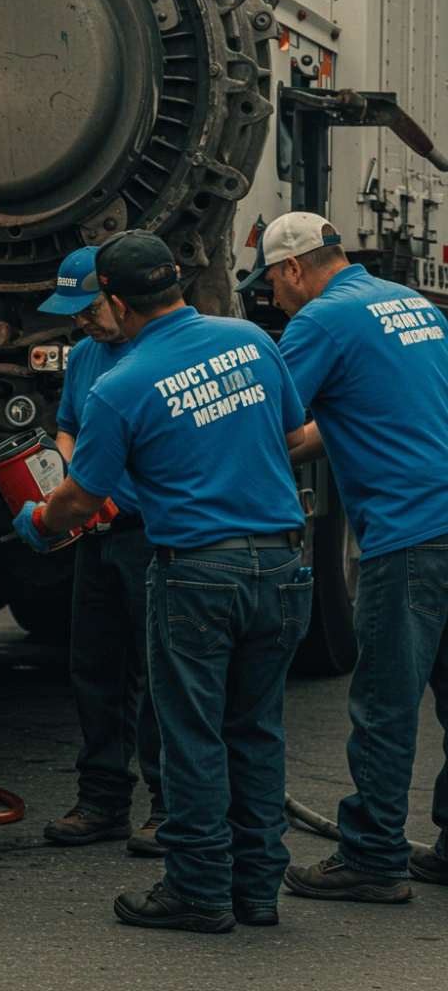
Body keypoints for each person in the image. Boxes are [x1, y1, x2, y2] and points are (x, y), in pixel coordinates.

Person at [13, 231, 309, 932]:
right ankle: (257, 889)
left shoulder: (121, 386)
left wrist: (36, 521)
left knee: (193, 735)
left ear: (114, 298)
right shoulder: (252, 341)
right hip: (282, 565)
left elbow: (80, 500)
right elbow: (294, 434)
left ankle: (201, 889)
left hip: (199, 573)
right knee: (256, 731)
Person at [242, 211, 448, 903]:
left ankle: (373, 856)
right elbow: (363, 413)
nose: (273, 297)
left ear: (294, 268)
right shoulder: (409, 303)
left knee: (386, 703)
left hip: (409, 534)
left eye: (272, 282)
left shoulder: (320, 323)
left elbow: (263, 418)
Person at [35, 246, 166, 855]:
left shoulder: (154, 353)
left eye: (88, 309)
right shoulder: (86, 355)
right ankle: (104, 801)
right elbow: (67, 424)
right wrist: (66, 472)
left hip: (148, 536)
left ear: (117, 298)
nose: (80, 321)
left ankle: (169, 806)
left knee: (160, 674)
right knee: (95, 669)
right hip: (95, 535)